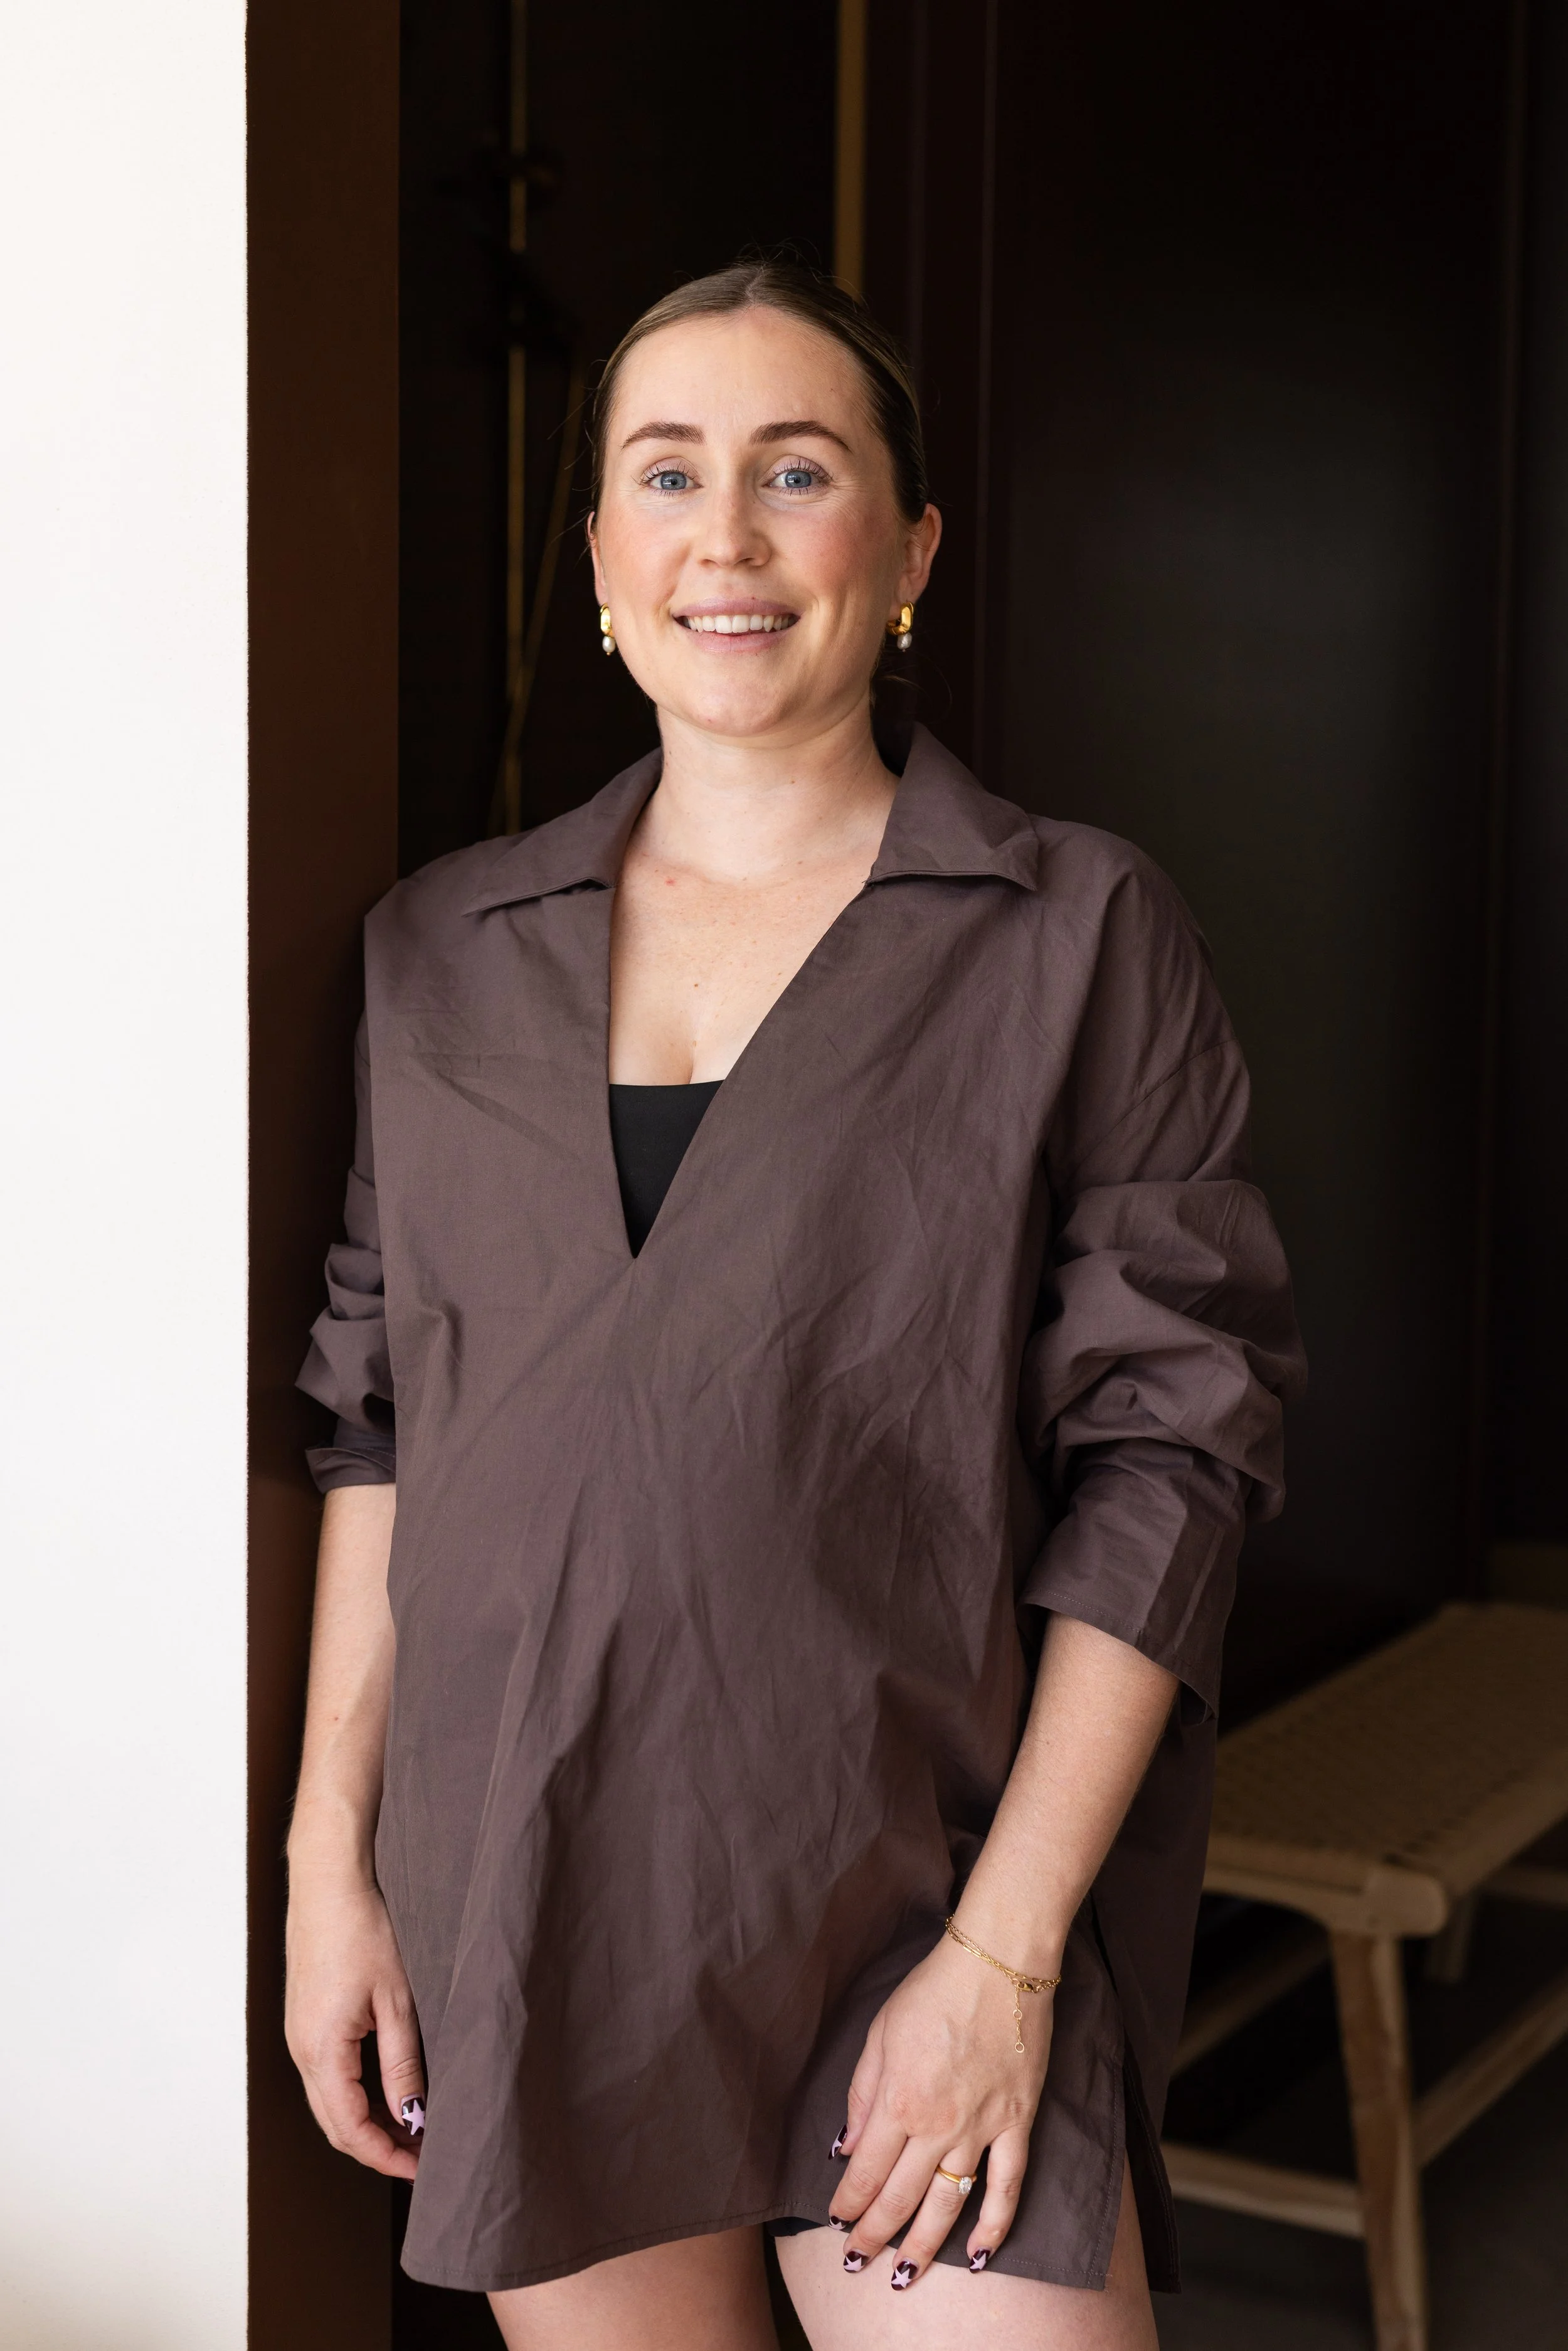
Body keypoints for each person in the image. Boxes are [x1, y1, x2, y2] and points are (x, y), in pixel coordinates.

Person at [285, 259, 1304, 2351]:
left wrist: (1006, 1961)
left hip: (916, 1900)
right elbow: (382, 1429)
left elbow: (1171, 1459)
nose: (725, 538)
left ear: (908, 545)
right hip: (534, 1894)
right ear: (597, 557)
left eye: (797, 471)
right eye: (666, 475)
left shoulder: (1072, 930)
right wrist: (331, 1867)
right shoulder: (436, 953)